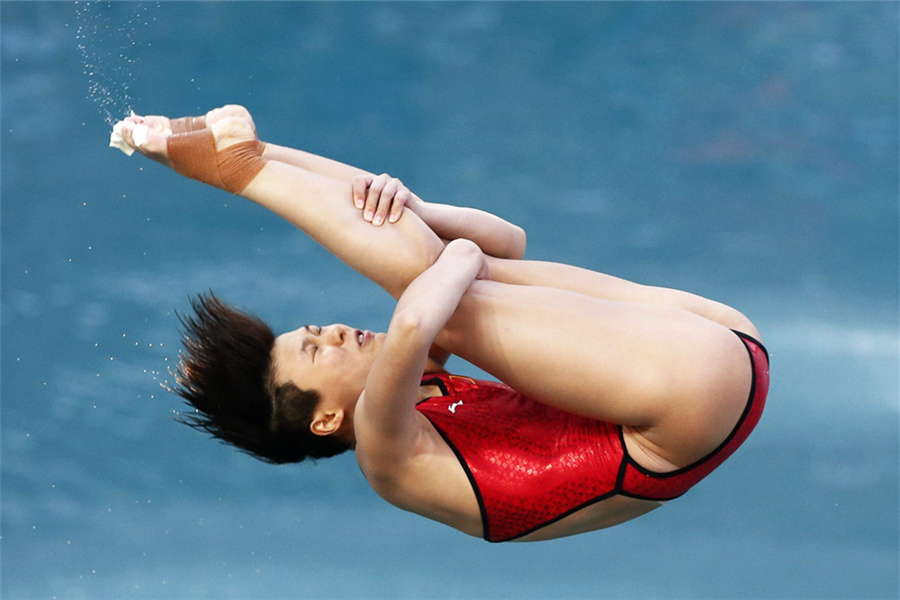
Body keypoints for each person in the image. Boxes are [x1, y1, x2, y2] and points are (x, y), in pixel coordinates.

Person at [113, 105, 769, 543]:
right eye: (317, 349)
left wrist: (422, 209)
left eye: (318, 328)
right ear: (323, 421)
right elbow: (420, 315)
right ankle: (243, 169)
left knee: (448, 274)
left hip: (714, 349)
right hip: (686, 409)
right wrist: (449, 253)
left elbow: (506, 241)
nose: (338, 330)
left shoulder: (427, 386)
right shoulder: (383, 449)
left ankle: (252, 156)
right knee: (438, 295)